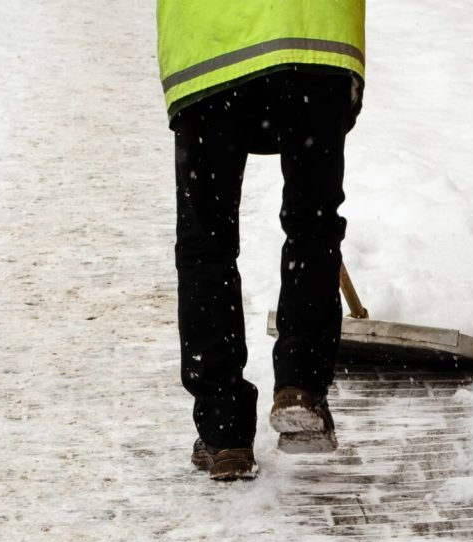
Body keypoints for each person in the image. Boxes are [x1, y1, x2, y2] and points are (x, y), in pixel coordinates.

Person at [157, 2, 366, 481]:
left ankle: (224, 431)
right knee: (312, 224)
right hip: (313, 35)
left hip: (209, 43)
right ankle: (300, 386)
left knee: (205, 243)